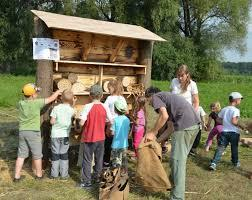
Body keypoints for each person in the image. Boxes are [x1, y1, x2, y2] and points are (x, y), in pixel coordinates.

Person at [144, 87, 200, 200]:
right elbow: (169, 128)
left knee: (178, 162)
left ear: (150, 96)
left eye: (148, 101)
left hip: (185, 127)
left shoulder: (156, 96)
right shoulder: (169, 102)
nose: (150, 104)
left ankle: (177, 197)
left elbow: (163, 116)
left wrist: (153, 132)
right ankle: (171, 185)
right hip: (194, 126)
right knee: (177, 160)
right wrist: (157, 141)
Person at [14, 83, 61, 182]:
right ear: (32, 95)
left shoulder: (20, 103)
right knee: (37, 155)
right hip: (33, 132)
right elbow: (50, 99)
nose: (37, 94)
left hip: (22, 132)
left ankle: (16, 176)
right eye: (36, 93)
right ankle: (39, 175)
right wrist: (57, 92)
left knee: (21, 155)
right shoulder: (37, 103)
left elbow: (25, 102)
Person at [79, 84, 113, 188]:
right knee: (99, 159)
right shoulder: (105, 106)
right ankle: (98, 178)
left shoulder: (87, 107)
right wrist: (106, 125)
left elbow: (81, 123)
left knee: (87, 160)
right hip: (101, 138)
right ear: (102, 95)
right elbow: (111, 121)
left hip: (89, 138)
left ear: (90, 95)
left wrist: (80, 121)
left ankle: (86, 182)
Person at [209, 92, 246, 171]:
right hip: (234, 133)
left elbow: (218, 119)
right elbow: (234, 121)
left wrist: (225, 122)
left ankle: (214, 163)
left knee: (220, 148)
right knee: (234, 148)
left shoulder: (224, 109)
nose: (240, 101)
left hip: (224, 132)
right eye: (240, 99)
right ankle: (235, 162)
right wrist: (241, 126)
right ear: (236, 100)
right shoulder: (236, 110)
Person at [49, 90, 76, 179]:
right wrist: (73, 103)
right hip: (65, 135)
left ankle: (54, 174)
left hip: (55, 135)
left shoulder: (56, 108)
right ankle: (64, 174)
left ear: (61, 98)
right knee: (64, 154)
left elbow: (52, 122)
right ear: (72, 99)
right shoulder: (72, 110)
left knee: (55, 154)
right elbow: (72, 113)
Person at [103, 79, 127, 167]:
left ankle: (106, 162)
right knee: (117, 143)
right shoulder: (122, 98)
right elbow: (125, 110)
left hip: (110, 124)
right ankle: (117, 162)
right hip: (120, 124)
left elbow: (105, 109)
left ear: (113, 88)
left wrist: (110, 119)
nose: (108, 90)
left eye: (109, 88)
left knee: (108, 143)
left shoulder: (109, 98)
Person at [111, 98, 130, 173]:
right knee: (124, 160)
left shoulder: (115, 120)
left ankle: (116, 175)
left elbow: (112, 133)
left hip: (116, 145)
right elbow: (128, 130)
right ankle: (124, 174)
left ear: (115, 110)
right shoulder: (127, 120)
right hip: (125, 144)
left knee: (116, 161)